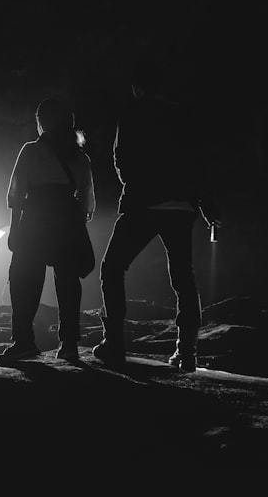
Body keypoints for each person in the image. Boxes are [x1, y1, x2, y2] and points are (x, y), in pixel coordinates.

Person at [93, 60, 220, 372]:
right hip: (181, 207)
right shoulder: (184, 115)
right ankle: (187, 351)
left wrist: (133, 185)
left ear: (137, 86)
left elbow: (121, 158)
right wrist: (205, 205)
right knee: (183, 278)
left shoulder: (132, 113)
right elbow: (200, 163)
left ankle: (114, 343)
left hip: (142, 203)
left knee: (112, 269)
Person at [0, 97, 96, 364]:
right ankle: (69, 344)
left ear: (41, 123)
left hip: (36, 219)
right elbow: (87, 202)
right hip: (68, 219)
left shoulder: (30, 150)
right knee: (67, 282)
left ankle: (24, 341)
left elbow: (16, 193)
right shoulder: (80, 157)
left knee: (23, 280)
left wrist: (14, 229)